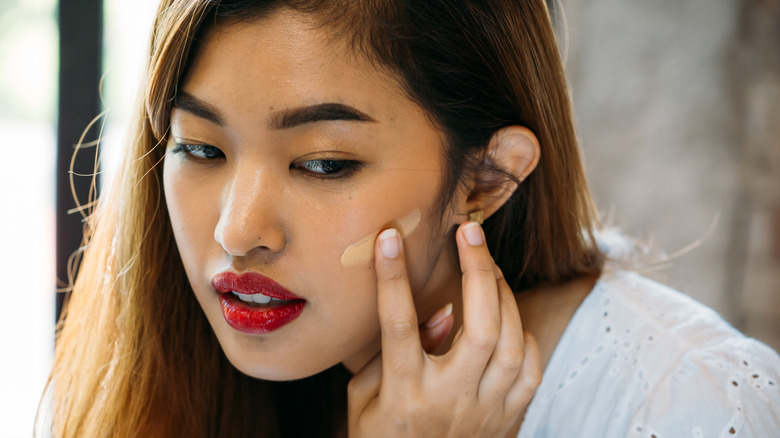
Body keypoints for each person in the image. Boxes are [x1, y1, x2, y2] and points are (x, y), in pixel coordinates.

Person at [42, 0, 780, 436]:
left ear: (485, 180)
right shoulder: (189, 375)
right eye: (200, 149)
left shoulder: (692, 404)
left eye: (324, 163)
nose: (238, 230)